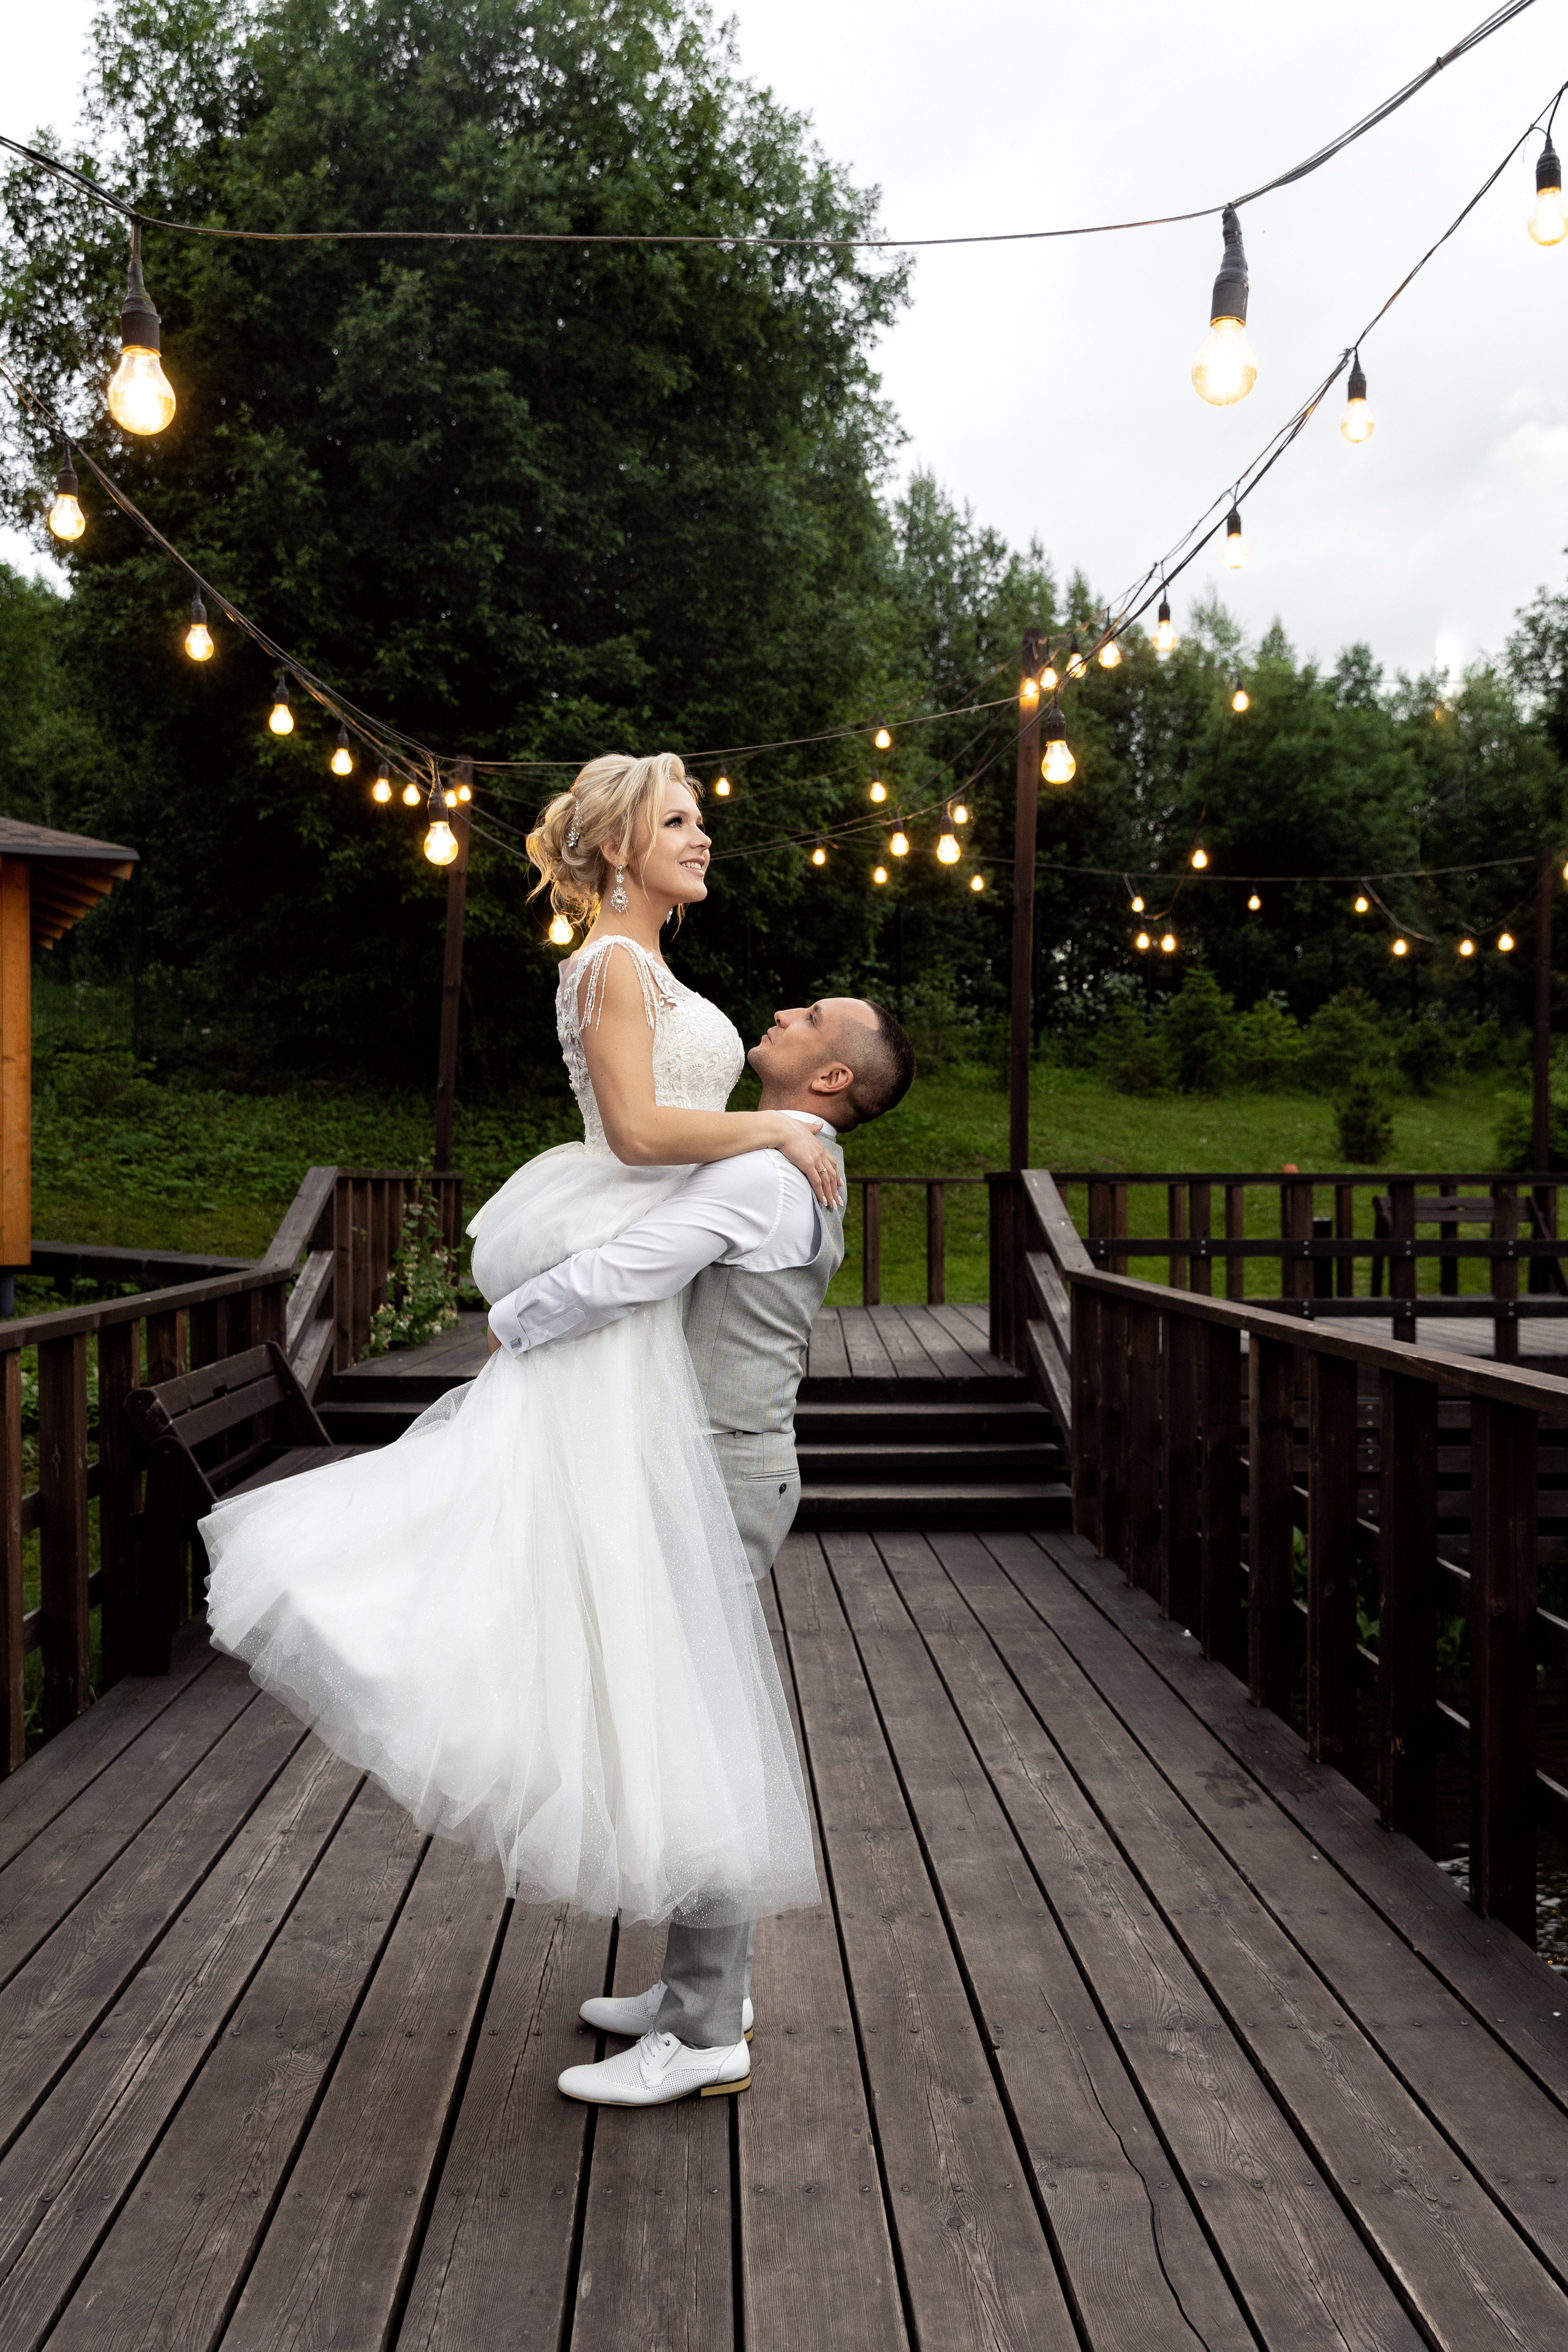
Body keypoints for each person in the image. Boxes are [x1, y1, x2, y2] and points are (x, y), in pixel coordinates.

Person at [198, 752, 878, 2108]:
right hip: (638, 1326)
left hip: (670, 1374)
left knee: (666, 1686)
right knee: (617, 1650)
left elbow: (660, 1204)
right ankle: (697, 1996)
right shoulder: (617, 972)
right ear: (621, 849)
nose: (703, 841)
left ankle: (705, 2013)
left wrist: (767, 1137)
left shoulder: (668, 986)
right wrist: (766, 1127)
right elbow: (631, 1129)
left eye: (698, 822)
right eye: (679, 822)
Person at [482, 987, 914, 2105]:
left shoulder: (769, 1172)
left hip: (718, 1477)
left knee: (705, 1740)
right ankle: (691, 1989)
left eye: (812, 1016)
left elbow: (632, 1268)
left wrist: (510, 1319)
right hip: (733, 1468)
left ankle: (711, 2027)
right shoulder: (786, 1154)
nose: (784, 1010)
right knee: (693, 1724)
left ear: (828, 1079)